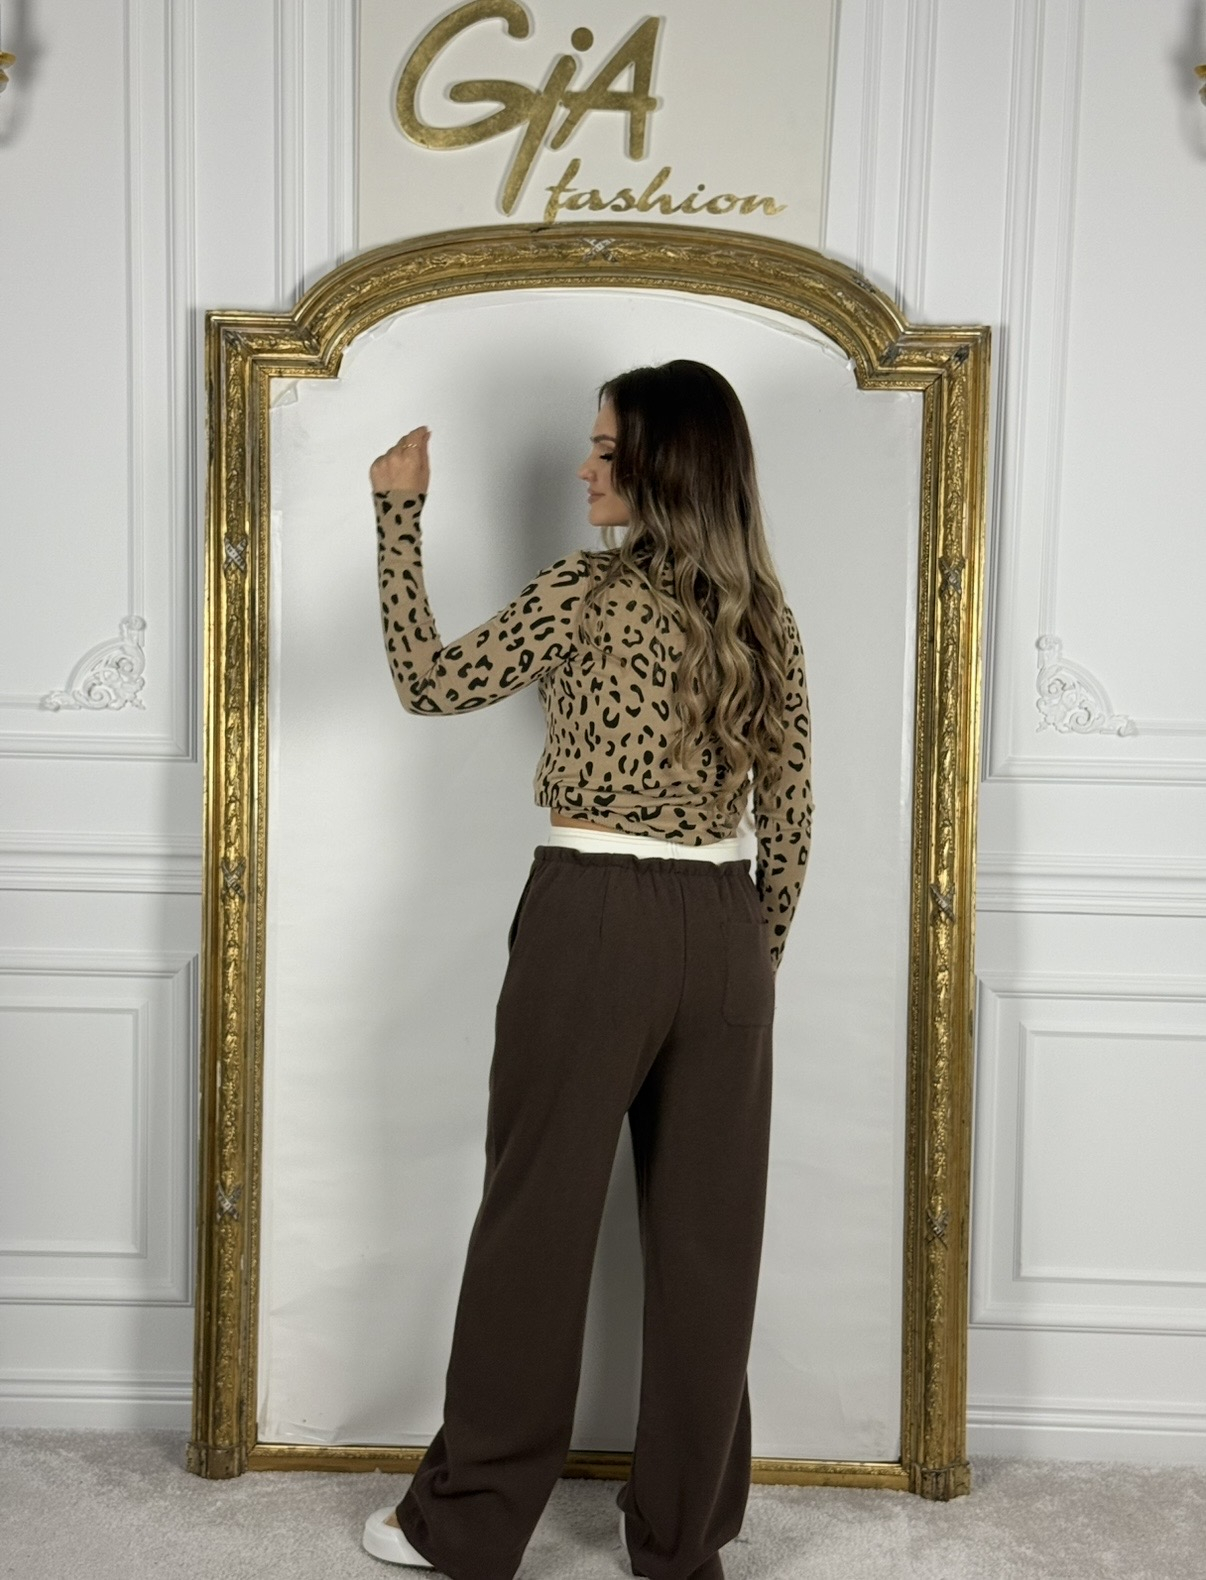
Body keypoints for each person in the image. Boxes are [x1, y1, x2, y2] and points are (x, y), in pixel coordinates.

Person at [360, 360, 814, 1580]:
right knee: (710, 1250)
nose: (584, 466)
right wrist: (746, 964)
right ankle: (681, 1542)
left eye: (607, 449)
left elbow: (429, 680)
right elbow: (794, 818)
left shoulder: (587, 589)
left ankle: (467, 1522)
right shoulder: (764, 614)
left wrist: (398, 516)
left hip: (595, 914)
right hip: (725, 929)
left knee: (535, 1227)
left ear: (664, 465)